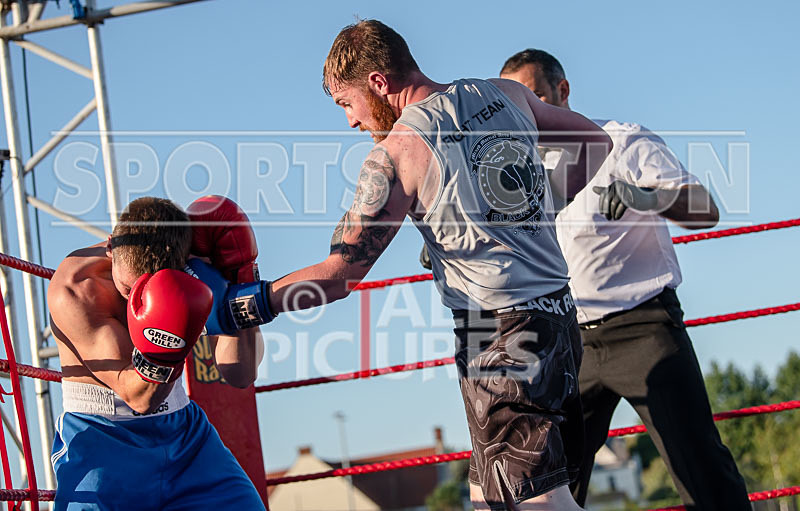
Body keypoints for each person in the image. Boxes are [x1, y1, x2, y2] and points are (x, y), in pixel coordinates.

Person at [234, 19, 612, 511]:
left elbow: (341, 274)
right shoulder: (502, 93)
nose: (350, 121)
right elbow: (595, 142)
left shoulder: (397, 153)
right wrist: (539, 207)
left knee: (541, 504)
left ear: (377, 83)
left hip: (499, 331)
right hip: (556, 315)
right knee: (486, 495)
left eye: (345, 103)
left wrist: (246, 303)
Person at [499, 49, 751, 510]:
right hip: (570, 343)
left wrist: (647, 197)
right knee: (548, 483)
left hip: (644, 329)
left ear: (562, 91)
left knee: (701, 470)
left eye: (535, 96)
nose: (529, 113)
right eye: (517, 106)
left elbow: (705, 209)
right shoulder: (521, 177)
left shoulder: (620, 141)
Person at [47, 196, 265, 510]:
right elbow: (140, 397)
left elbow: (240, 373)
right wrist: (174, 335)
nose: (134, 296)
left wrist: (239, 277)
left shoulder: (189, 264)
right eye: (127, 286)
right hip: (103, 442)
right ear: (110, 248)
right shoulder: (76, 289)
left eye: (148, 288)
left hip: (185, 437)